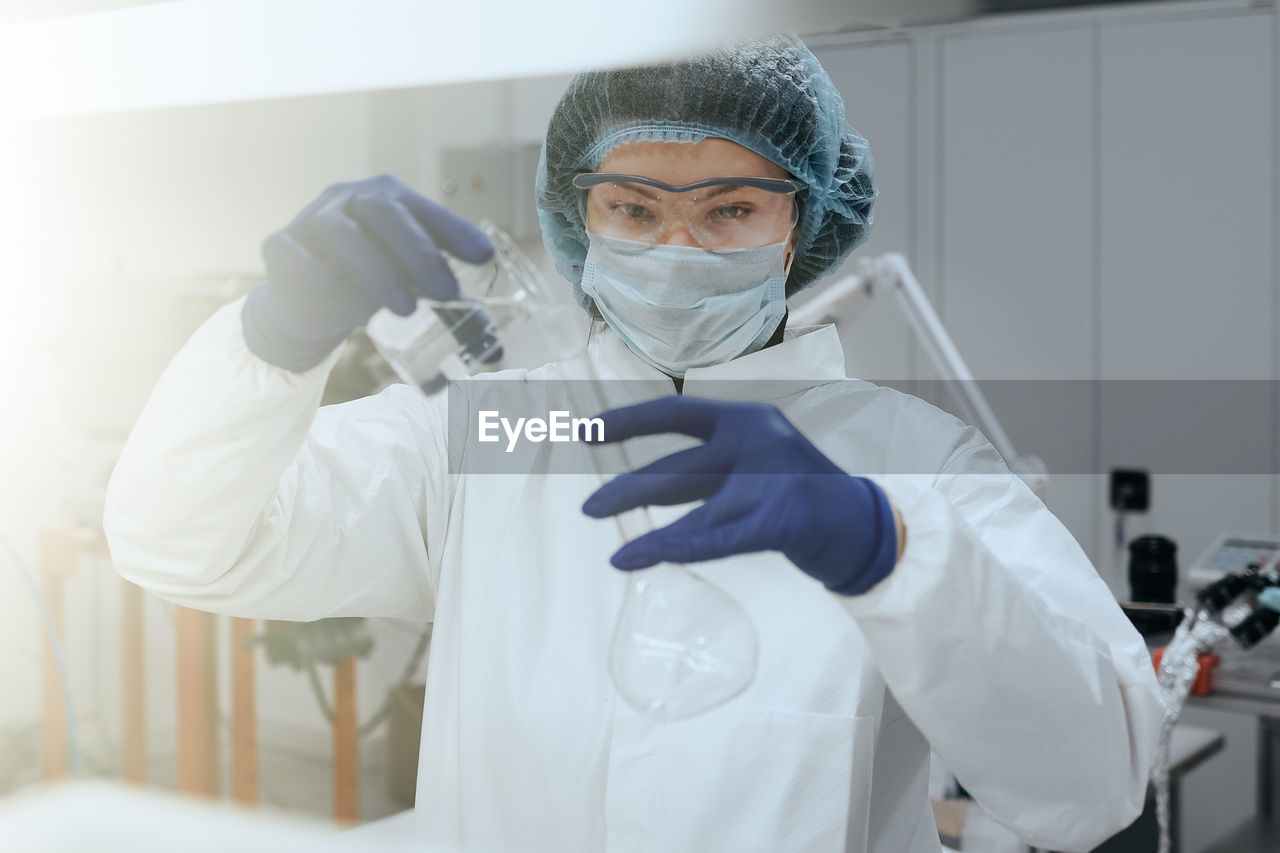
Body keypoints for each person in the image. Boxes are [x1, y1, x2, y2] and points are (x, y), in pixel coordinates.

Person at [104, 34, 1163, 853]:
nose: (676, 249)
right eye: (634, 207)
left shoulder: (916, 466)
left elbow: (1091, 787)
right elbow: (181, 543)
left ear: (802, 223)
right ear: (581, 218)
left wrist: (887, 548)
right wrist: (272, 340)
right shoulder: (487, 436)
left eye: (730, 208)